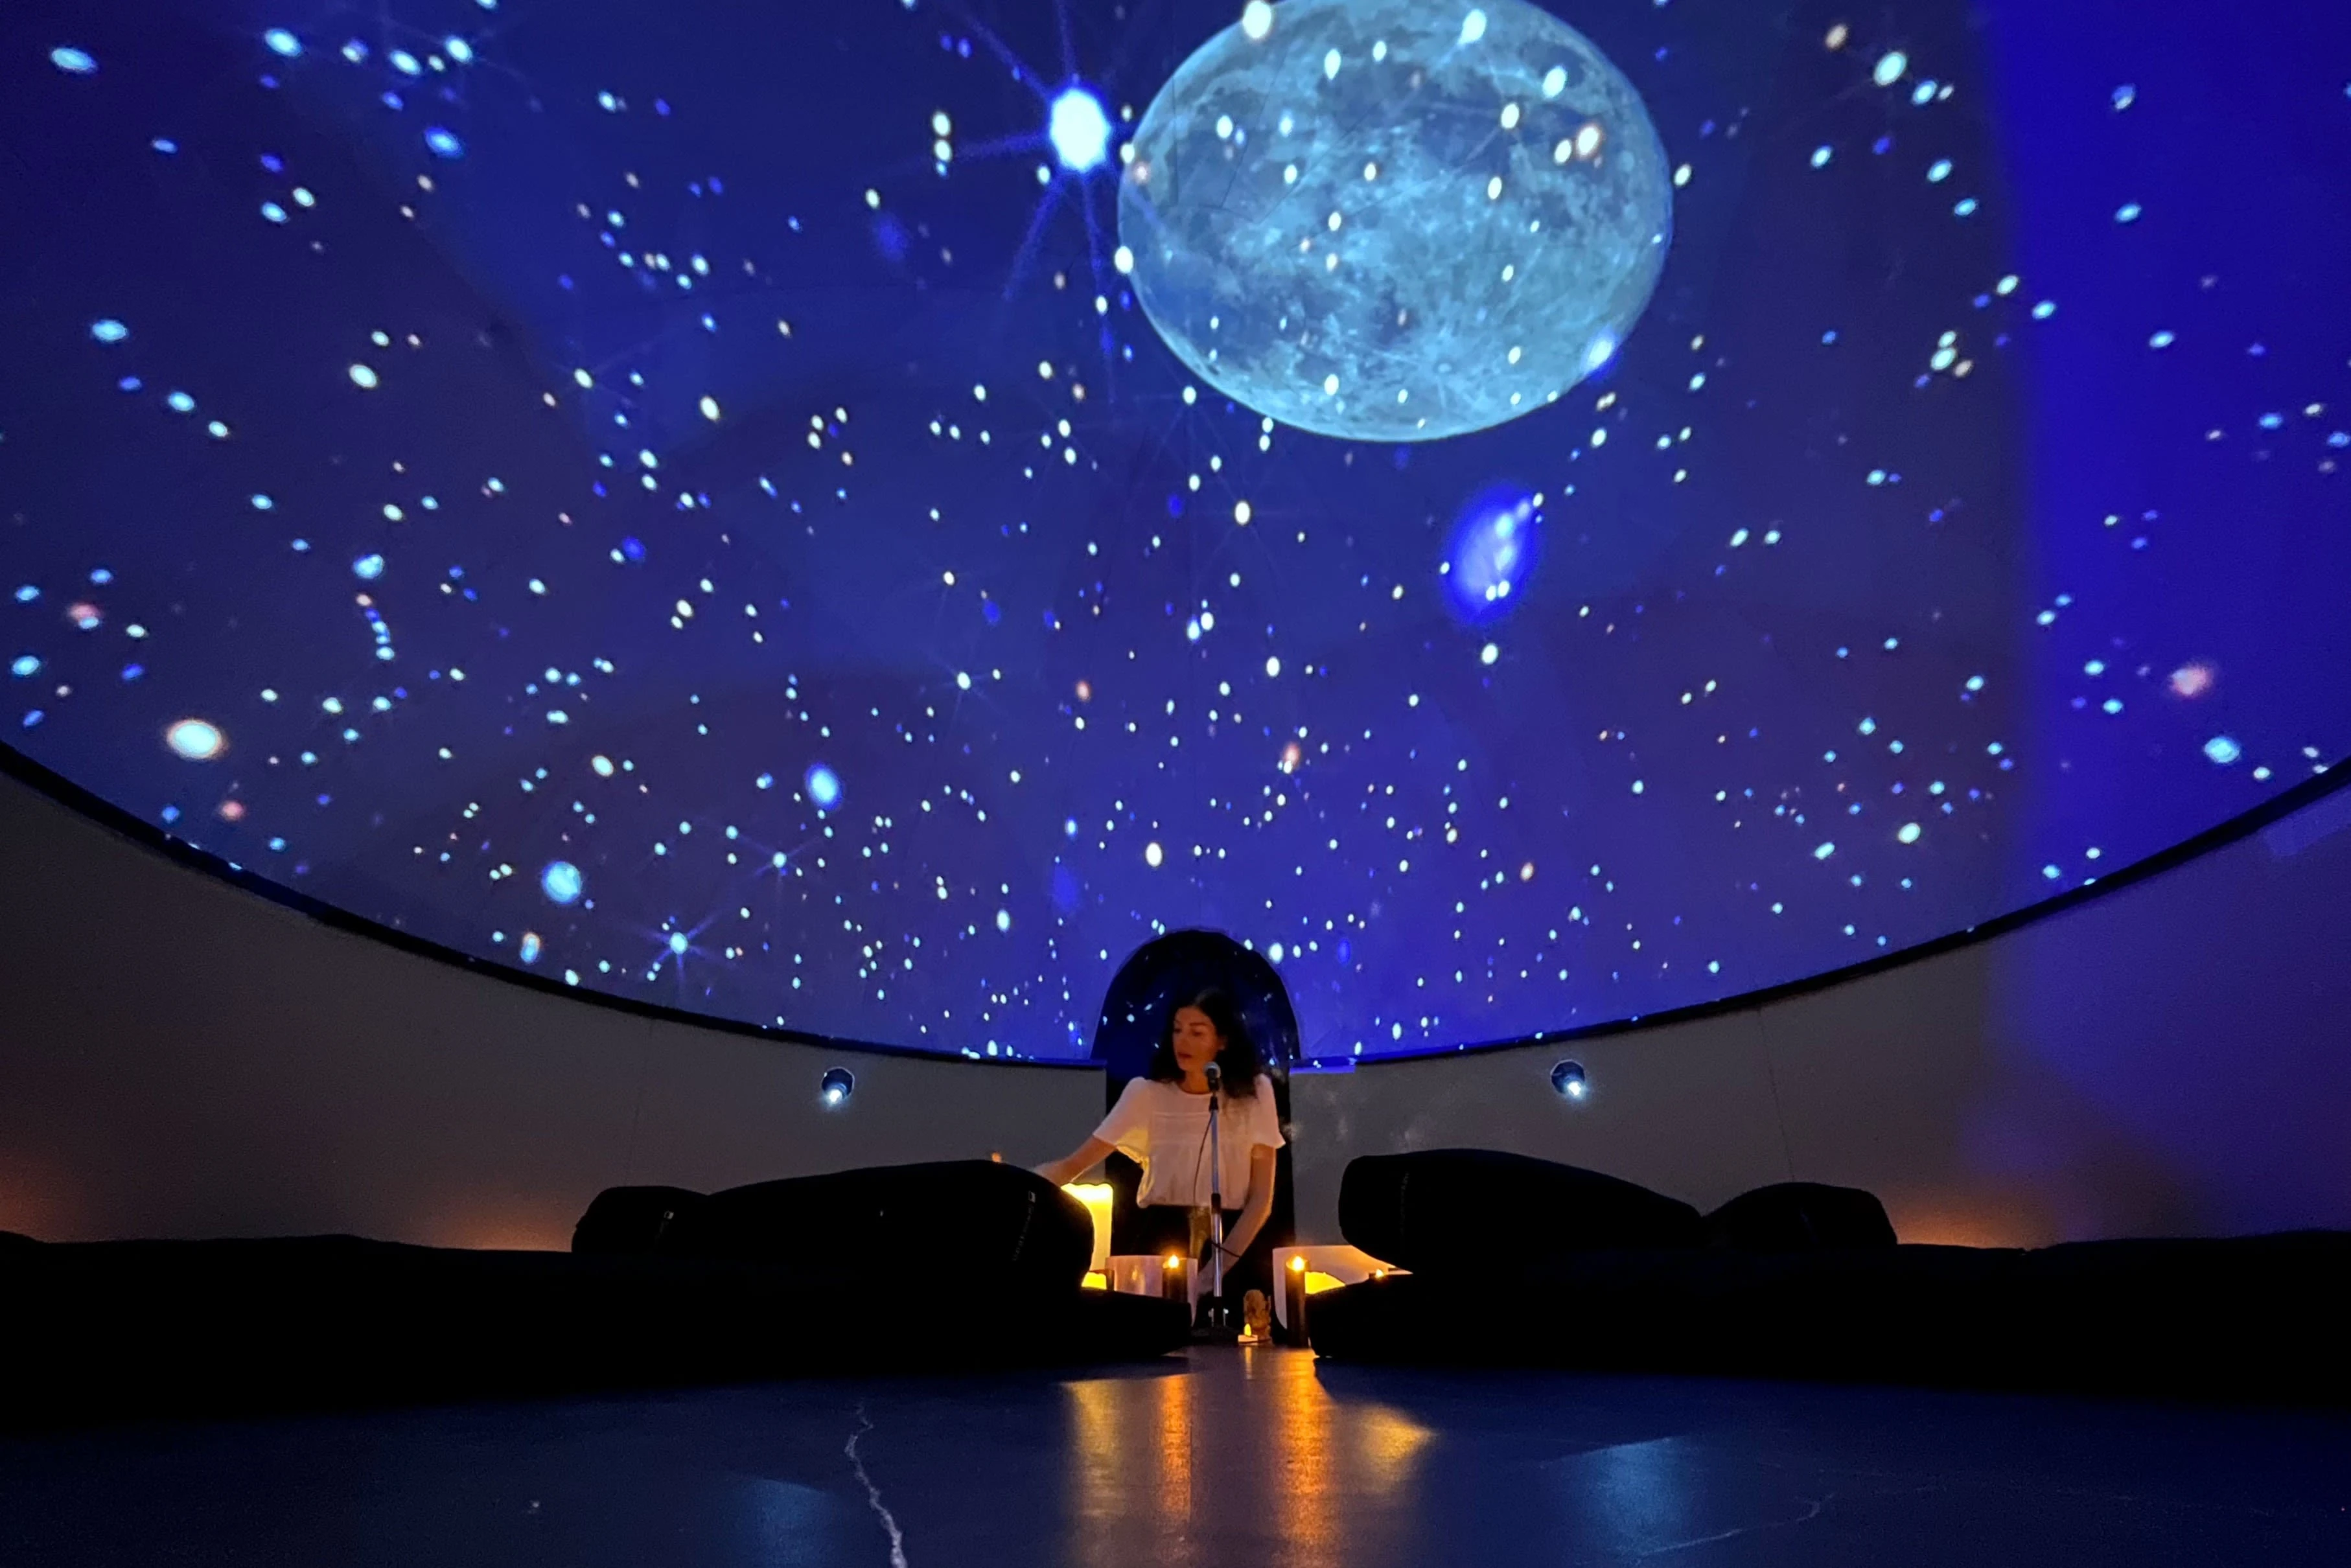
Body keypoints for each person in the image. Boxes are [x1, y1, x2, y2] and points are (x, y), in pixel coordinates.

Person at [1036, 989, 1285, 1311]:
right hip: (1160, 1242)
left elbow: (1261, 1200)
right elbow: (1075, 1164)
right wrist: (1018, 1184)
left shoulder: (1255, 1094)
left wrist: (1212, 1275)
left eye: (1197, 1032)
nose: (1184, 1041)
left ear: (1222, 1040)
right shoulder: (1146, 1095)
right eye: (1178, 1030)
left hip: (1234, 1244)